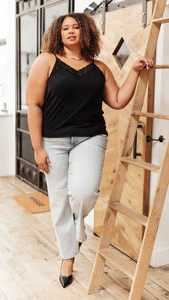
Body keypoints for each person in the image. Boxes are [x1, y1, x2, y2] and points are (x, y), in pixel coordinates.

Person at [26, 12, 154, 288]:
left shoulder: (100, 68)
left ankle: (76, 236)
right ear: (57, 34)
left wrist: (133, 70)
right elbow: (34, 105)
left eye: (76, 27)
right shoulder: (46, 61)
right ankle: (68, 256)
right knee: (60, 200)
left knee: (84, 192)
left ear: (86, 32)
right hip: (53, 141)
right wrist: (37, 147)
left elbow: (118, 100)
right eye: (65, 28)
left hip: (90, 137)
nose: (70, 31)